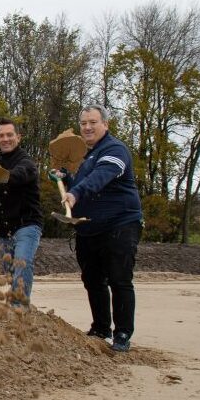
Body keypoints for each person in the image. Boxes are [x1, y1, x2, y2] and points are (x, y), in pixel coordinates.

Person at [58, 104, 143, 352]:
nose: (87, 127)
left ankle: (123, 333)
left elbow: (100, 178)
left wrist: (75, 192)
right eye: (83, 123)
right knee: (92, 279)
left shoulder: (115, 150)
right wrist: (65, 179)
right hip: (90, 228)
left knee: (119, 277)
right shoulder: (88, 158)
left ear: (105, 124)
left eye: (92, 122)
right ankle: (101, 328)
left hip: (120, 224)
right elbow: (82, 182)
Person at [0, 118, 42, 306]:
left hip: (27, 225)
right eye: (1, 135)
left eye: (9, 135)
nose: (5, 139)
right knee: (11, 274)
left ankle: (19, 311)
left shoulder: (27, 162)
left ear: (18, 137)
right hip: (4, 230)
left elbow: (18, 176)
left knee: (22, 264)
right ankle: (14, 308)